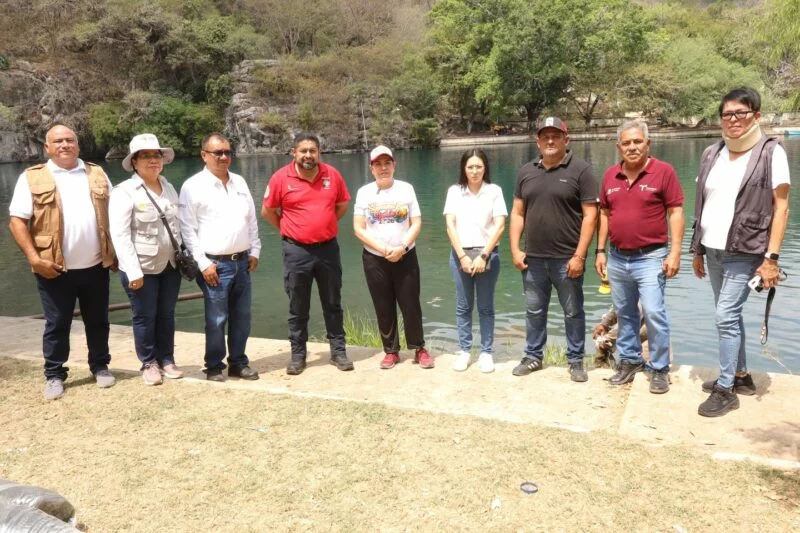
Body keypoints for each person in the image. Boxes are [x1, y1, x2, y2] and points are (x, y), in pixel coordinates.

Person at [690, 87, 791, 417]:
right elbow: (703, 203)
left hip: (746, 250)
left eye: (741, 113)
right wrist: (697, 250)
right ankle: (742, 376)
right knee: (727, 314)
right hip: (714, 249)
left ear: (756, 116)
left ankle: (725, 389)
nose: (733, 120)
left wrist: (771, 259)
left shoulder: (770, 152)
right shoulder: (712, 153)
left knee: (724, 316)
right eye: (727, 114)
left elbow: (782, 207)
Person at [8, 125, 116, 400]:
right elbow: (17, 222)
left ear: (78, 146)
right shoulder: (32, 178)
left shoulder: (97, 173)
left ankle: (100, 366)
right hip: (53, 268)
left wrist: (117, 254)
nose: (65, 145)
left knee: (98, 320)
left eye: (70, 140)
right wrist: (35, 258)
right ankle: (54, 374)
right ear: (47, 148)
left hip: (96, 265)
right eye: (58, 141)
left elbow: (115, 214)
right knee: (56, 323)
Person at [595, 120, 685, 394]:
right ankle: (630, 361)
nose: (632, 147)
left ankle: (658, 368)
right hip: (618, 257)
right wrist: (600, 251)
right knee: (626, 313)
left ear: (648, 144)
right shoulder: (610, 175)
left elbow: (676, 212)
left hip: (651, 257)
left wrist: (676, 251)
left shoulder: (663, 172)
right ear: (618, 146)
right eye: (626, 143)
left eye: (637, 142)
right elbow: (604, 214)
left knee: (655, 312)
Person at [509, 117, 598, 382]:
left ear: (566, 140)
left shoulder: (582, 171)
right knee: (534, 311)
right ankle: (534, 356)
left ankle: (575, 361)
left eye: (556, 136)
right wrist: (515, 249)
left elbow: (591, 216)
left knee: (573, 312)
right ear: (537, 141)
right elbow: (517, 213)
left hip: (567, 259)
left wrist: (580, 256)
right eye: (545, 136)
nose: (550, 141)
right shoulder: (526, 171)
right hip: (533, 258)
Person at [261, 133, 354, 375]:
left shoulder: (332, 175)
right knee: (297, 305)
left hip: (327, 249)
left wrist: (325, 224)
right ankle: (298, 355)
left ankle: (338, 351)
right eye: (303, 151)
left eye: (312, 150)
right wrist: (289, 229)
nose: (308, 155)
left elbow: (342, 205)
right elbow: (268, 211)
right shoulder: (281, 178)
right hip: (296, 251)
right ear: (294, 152)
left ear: (319, 153)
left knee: (332, 302)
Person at [179, 133, 262, 382]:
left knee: (242, 316)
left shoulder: (239, 182)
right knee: (216, 319)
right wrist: (203, 264)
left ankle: (238, 362)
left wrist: (255, 250)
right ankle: (214, 365)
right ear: (204, 155)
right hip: (214, 264)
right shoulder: (192, 186)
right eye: (218, 153)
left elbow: (251, 220)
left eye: (227, 152)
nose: (224, 157)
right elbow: (187, 230)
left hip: (242, 261)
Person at [109, 134, 184, 386]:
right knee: (144, 316)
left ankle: (167, 359)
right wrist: (132, 270)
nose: (153, 160)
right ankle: (149, 362)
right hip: (141, 266)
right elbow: (119, 234)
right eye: (146, 156)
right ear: (134, 162)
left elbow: (177, 227)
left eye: (157, 155)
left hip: (170, 264)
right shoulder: (124, 192)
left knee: (167, 314)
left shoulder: (169, 187)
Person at [352, 145, 434, 370]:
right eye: (378, 164)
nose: (383, 168)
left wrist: (402, 247)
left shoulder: (406, 189)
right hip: (374, 257)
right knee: (383, 304)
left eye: (387, 163)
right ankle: (391, 351)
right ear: (371, 168)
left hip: (405, 255)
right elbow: (359, 228)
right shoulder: (364, 192)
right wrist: (383, 248)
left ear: (394, 165)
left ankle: (419, 348)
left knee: (410, 303)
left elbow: (416, 222)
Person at [443, 148, 507, 373]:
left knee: (486, 306)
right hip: (460, 253)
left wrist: (483, 256)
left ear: (485, 168)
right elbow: (450, 225)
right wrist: (461, 256)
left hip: (487, 254)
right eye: (470, 166)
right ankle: (464, 351)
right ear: (463, 168)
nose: (474, 171)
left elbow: (500, 226)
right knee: (463, 306)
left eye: (479, 166)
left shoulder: (494, 191)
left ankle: (487, 352)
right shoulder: (454, 191)